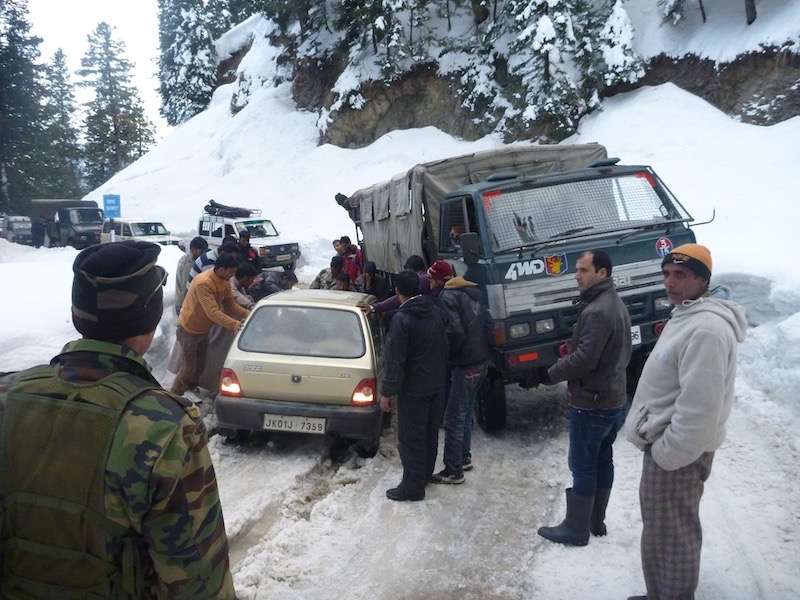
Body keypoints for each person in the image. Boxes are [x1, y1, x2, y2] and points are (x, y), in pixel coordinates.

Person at [0, 241, 235, 598]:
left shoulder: (8, 397)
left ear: (78, 314)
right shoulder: (165, 427)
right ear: (152, 316)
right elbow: (196, 578)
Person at [624, 244, 746, 600]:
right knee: (661, 530)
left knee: (675, 534)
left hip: (678, 455)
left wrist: (668, 453)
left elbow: (699, 410)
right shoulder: (688, 315)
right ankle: (658, 594)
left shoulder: (706, 328)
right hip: (667, 448)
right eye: (666, 274)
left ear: (703, 280)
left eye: (681, 275)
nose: (670, 282)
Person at [536, 249, 632, 546]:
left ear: (601, 273)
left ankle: (576, 529)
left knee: (583, 465)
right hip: (613, 398)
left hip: (592, 402)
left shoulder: (597, 311)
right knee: (603, 459)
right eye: (577, 270)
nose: (576, 276)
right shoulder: (613, 303)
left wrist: (551, 373)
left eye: (582, 270)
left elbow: (584, 359)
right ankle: (595, 520)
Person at [379, 269, 448, 501]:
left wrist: (387, 393)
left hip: (414, 389)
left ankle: (412, 487)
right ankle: (424, 476)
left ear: (397, 291)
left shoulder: (402, 319)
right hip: (437, 385)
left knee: (411, 438)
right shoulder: (436, 312)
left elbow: (395, 360)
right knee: (429, 433)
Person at [427, 260, 492, 484]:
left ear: (439, 279)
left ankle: (453, 470)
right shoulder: (469, 293)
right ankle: (463, 457)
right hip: (481, 360)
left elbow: (454, 331)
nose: (429, 282)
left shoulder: (447, 297)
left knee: (453, 416)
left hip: (465, 363)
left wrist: (447, 357)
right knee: (465, 411)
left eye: (431, 278)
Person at [171, 253, 251, 396]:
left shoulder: (225, 281)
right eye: (231, 272)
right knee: (189, 367)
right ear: (221, 269)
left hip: (203, 330)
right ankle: (175, 395)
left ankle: (191, 389)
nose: (233, 275)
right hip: (189, 329)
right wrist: (234, 324)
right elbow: (212, 312)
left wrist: (249, 315)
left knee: (201, 364)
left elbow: (230, 305)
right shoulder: (203, 283)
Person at [175, 236, 209, 315]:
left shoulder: (185, 258)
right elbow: (185, 286)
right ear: (193, 249)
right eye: (201, 252)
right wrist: (186, 306)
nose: (203, 255)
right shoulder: (189, 264)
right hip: (184, 303)